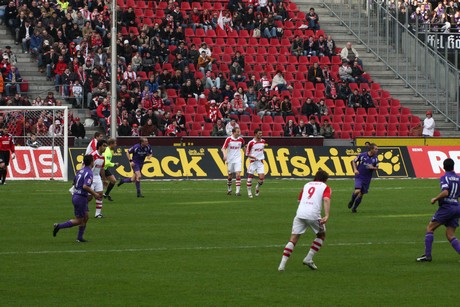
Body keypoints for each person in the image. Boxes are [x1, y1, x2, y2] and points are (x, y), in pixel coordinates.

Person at [278, 169, 331, 271]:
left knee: (293, 239)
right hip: (313, 215)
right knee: (321, 235)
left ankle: (282, 265)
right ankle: (308, 258)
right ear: (325, 179)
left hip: (300, 214)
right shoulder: (325, 187)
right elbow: (326, 199)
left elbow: (299, 200)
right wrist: (327, 215)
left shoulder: (306, 185)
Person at [417, 158, 460, 262]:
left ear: (444, 167)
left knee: (430, 228)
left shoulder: (445, 177)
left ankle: (427, 256)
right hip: (456, 207)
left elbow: (445, 192)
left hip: (447, 207)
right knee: (450, 234)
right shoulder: (458, 178)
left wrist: (435, 199)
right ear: (453, 166)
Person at [53, 155, 101, 242]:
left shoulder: (80, 171)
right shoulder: (89, 173)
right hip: (81, 198)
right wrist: (95, 194)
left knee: (86, 217)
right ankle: (59, 226)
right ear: (91, 162)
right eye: (93, 161)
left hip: (76, 196)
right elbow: (85, 186)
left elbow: (74, 182)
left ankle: (80, 238)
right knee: (79, 220)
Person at [347, 143, 379, 213]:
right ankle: (352, 201)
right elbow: (354, 161)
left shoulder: (375, 158)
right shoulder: (362, 155)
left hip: (367, 178)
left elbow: (377, 167)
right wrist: (355, 169)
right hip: (359, 176)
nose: (377, 150)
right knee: (357, 190)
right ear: (371, 149)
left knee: (361, 193)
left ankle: (354, 208)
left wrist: (372, 167)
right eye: (376, 149)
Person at [222, 127, 245, 196]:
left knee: (238, 174)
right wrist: (225, 155)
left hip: (238, 159)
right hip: (230, 159)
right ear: (233, 132)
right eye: (237, 132)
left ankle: (237, 192)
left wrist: (247, 153)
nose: (239, 133)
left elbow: (243, 148)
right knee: (230, 176)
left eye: (239, 131)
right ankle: (229, 189)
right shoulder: (229, 139)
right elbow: (223, 148)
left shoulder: (241, 139)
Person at [246, 129, 266, 198]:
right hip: (253, 162)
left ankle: (257, 187)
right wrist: (253, 157)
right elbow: (247, 153)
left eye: (261, 133)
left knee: (262, 178)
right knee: (250, 178)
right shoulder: (251, 143)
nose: (261, 135)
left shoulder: (263, 141)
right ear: (255, 134)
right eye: (259, 133)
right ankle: (249, 192)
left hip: (260, 162)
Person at [91, 139, 108, 218]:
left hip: (97, 177)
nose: (105, 148)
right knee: (89, 197)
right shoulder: (93, 155)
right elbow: (85, 166)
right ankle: (82, 210)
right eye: (104, 146)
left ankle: (98, 214)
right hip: (90, 176)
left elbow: (102, 169)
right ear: (99, 146)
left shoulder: (103, 157)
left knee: (100, 194)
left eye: (106, 146)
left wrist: (104, 179)